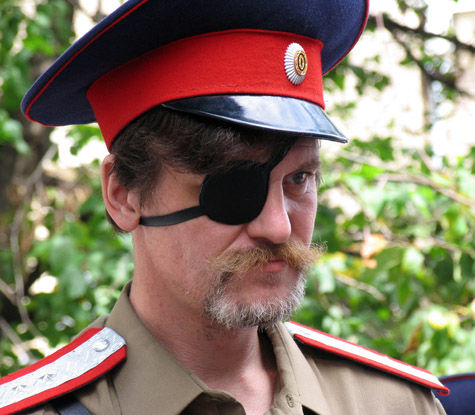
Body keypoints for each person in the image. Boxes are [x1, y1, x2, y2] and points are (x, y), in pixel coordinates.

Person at [0, 0, 449, 414]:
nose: (277, 227)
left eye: (299, 179)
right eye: (233, 186)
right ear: (123, 193)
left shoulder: (393, 404)